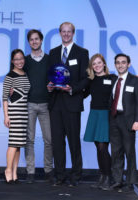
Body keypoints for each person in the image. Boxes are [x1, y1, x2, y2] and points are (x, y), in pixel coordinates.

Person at [47, 22, 89, 187]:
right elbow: (49, 75)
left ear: (73, 33)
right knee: (57, 142)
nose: (66, 34)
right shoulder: (53, 52)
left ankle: (76, 175)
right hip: (56, 103)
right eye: (63, 32)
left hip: (72, 103)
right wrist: (49, 86)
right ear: (59, 33)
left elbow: (87, 78)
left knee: (73, 141)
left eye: (68, 32)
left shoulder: (82, 53)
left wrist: (73, 89)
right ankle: (60, 175)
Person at [109, 53, 138, 193]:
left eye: (123, 62)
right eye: (118, 62)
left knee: (129, 152)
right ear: (115, 65)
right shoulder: (113, 79)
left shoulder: (135, 81)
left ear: (128, 64)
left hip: (128, 120)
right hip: (114, 119)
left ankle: (130, 181)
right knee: (116, 151)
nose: (120, 65)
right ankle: (118, 180)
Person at [83, 54, 117, 190]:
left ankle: (109, 177)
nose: (96, 65)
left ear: (104, 64)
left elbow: (125, 83)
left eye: (99, 63)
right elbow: (82, 94)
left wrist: (136, 80)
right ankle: (102, 176)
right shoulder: (90, 81)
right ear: (92, 67)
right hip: (94, 114)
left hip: (106, 115)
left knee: (103, 147)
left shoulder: (112, 78)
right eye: (94, 64)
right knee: (98, 147)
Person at [24, 29, 53, 183]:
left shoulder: (50, 59)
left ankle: (48, 170)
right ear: (29, 42)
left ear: (41, 40)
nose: (34, 41)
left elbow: (58, 78)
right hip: (29, 104)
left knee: (49, 139)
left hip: (46, 105)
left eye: (37, 39)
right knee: (29, 140)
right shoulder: (25, 61)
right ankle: (30, 172)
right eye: (31, 39)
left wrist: (53, 84)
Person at [3, 49, 30, 184]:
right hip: (14, 112)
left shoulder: (25, 74)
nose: (19, 61)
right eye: (16, 59)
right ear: (12, 61)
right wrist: (6, 116)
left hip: (24, 112)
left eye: (21, 58)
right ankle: (8, 170)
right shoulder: (10, 76)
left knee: (19, 144)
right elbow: (4, 97)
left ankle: (14, 172)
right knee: (13, 143)